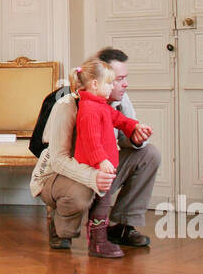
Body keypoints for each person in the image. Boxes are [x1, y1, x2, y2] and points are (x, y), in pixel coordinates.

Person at [31, 46, 159, 256]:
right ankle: (61, 227)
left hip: (98, 167)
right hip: (61, 174)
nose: (124, 84)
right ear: (95, 81)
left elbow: (123, 128)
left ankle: (121, 227)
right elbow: (58, 159)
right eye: (117, 79)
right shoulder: (68, 105)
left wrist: (136, 136)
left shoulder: (118, 100)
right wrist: (93, 176)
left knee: (149, 155)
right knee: (81, 193)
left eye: (124, 78)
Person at [72, 58, 150, 258]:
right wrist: (101, 161)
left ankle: (99, 239)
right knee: (101, 204)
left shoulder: (101, 105)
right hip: (95, 168)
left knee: (102, 203)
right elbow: (91, 140)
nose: (112, 87)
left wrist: (134, 126)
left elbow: (119, 119)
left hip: (104, 166)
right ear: (95, 84)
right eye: (109, 83)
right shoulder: (89, 109)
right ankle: (98, 242)